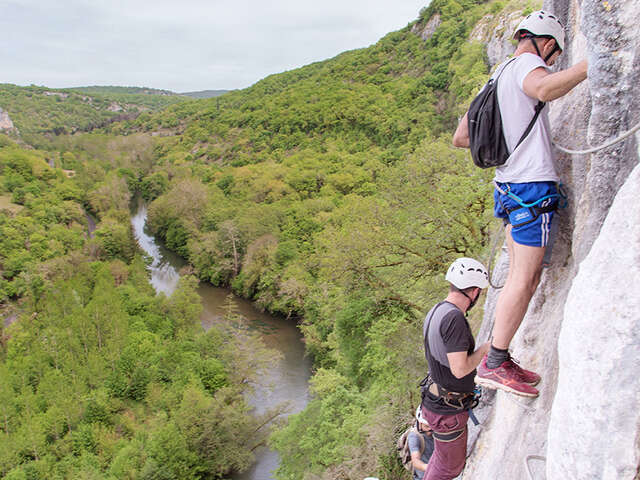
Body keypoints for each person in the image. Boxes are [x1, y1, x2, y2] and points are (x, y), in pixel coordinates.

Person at [452, 11, 588, 397]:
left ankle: (500, 359)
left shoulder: (498, 73)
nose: (552, 63)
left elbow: (462, 136)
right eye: (554, 56)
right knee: (524, 278)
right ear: (547, 44)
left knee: (519, 275)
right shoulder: (529, 63)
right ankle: (495, 361)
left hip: (507, 187)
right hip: (530, 187)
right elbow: (544, 89)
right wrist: (589, 65)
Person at [420, 258, 490, 480]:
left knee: (441, 460)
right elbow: (460, 369)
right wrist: (486, 349)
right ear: (475, 291)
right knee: (450, 467)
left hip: (437, 401)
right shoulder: (454, 319)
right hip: (447, 410)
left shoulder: (437, 310)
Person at [408, 406, 435, 479]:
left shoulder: (436, 430)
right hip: (424, 476)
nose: (430, 429)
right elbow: (416, 461)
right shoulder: (414, 437)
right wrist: (431, 468)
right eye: (427, 426)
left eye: (432, 426)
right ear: (419, 423)